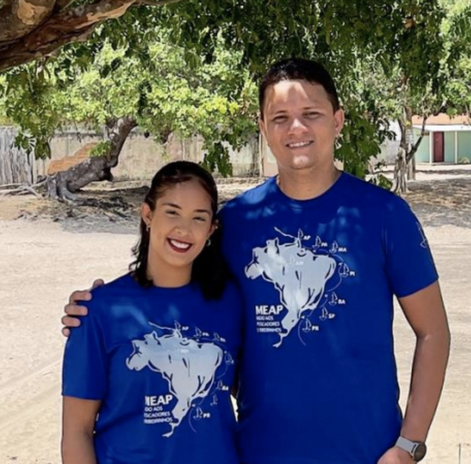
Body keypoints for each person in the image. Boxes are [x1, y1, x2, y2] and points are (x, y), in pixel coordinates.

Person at [62, 58, 450, 464]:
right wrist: (96, 309)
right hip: (257, 453)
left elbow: (434, 332)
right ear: (263, 127)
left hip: (367, 453)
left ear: (337, 121)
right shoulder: (236, 222)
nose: (296, 128)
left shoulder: (385, 215)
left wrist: (409, 445)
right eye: (280, 117)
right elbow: (173, 286)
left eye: (311, 114)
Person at [61, 161, 242, 464]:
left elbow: (248, 389)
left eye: (199, 218)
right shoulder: (98, 311)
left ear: (211, 229)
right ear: (147, 214)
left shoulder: (230, 303)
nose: (184, 229)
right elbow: (76, 431)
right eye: (172, 212)